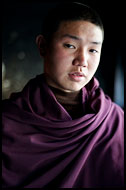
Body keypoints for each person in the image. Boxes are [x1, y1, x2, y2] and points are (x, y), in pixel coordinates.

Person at [2, 2, 124, 188]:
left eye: (93, 50)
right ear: (43, 46)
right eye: (70, 45)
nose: (82, 61)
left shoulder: (116, 121)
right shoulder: (8, 120)